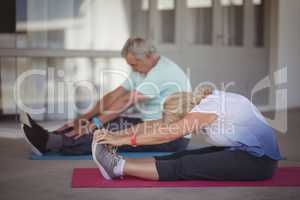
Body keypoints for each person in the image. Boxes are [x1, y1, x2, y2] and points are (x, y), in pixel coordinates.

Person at [20, 37, 192, 155]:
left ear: (148, 56)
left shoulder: (163, 71)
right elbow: (115, 95)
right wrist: (86, 117)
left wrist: (94, 124)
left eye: (134, 64)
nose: (132, 69)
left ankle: (49, 143)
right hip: (150, 124)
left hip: (173, 137)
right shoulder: (142, 68)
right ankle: (51, 135)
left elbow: (126, 101)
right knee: (105, 121)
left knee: (109, 134)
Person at [91, 86, 282, 181]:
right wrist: (115, 135)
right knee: (182, 155)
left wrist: (123, 139)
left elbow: (167, 133)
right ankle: (117, 162)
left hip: (259, 163)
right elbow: (156, 124)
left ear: (183, 116)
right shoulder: (202, 103)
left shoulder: (209, 107)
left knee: (186, 165)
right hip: (245, 153)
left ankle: (117, 166)